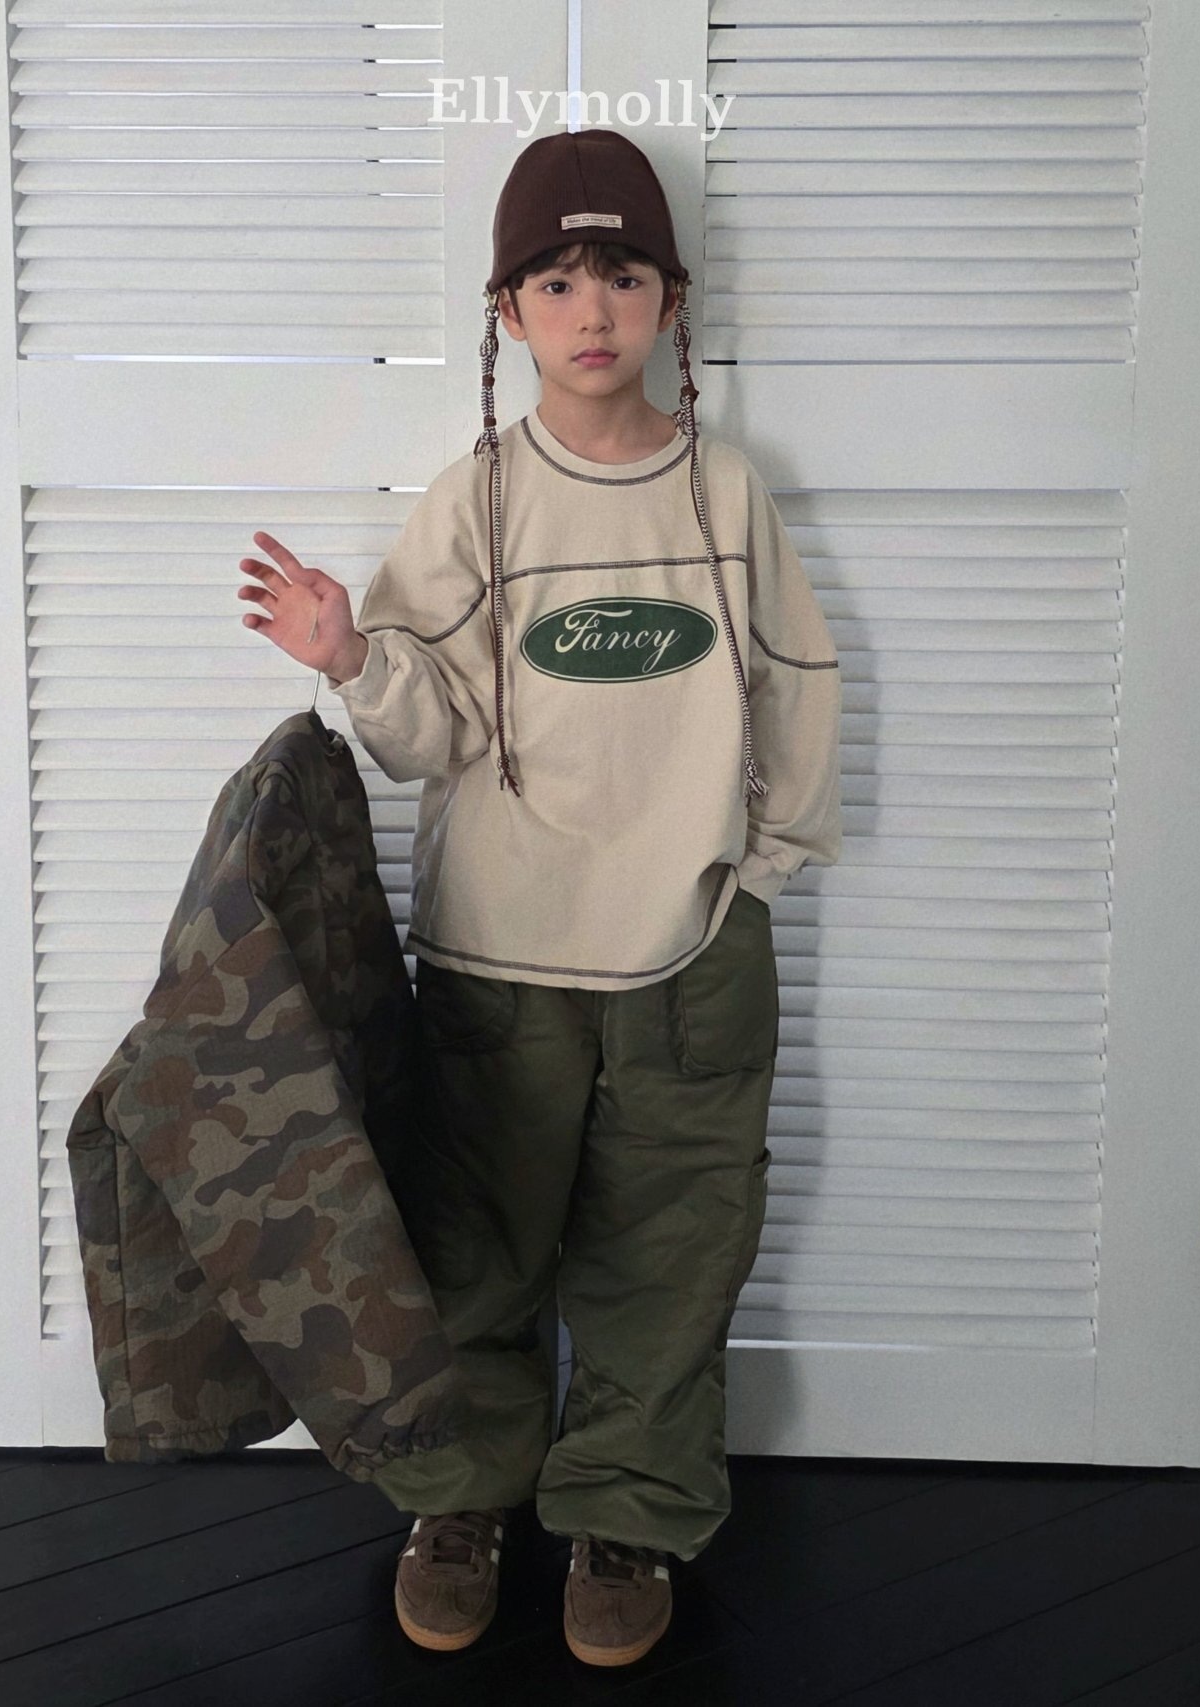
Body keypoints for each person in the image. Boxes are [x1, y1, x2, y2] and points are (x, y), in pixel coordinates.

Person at [236, 128, 842, 1670]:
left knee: (670, 1260)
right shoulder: (478, 502)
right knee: (476, 1251)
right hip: (497, 961)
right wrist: (348, 656)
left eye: (621, 275)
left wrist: (760, 872)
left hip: (690, 956)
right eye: (556, 281)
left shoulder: (724, 493)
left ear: (670, 301)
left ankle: (626, 1515)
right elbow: (425, 731)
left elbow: (796, 687)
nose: (592, 309)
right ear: (508, 312)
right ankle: (462, 1503)